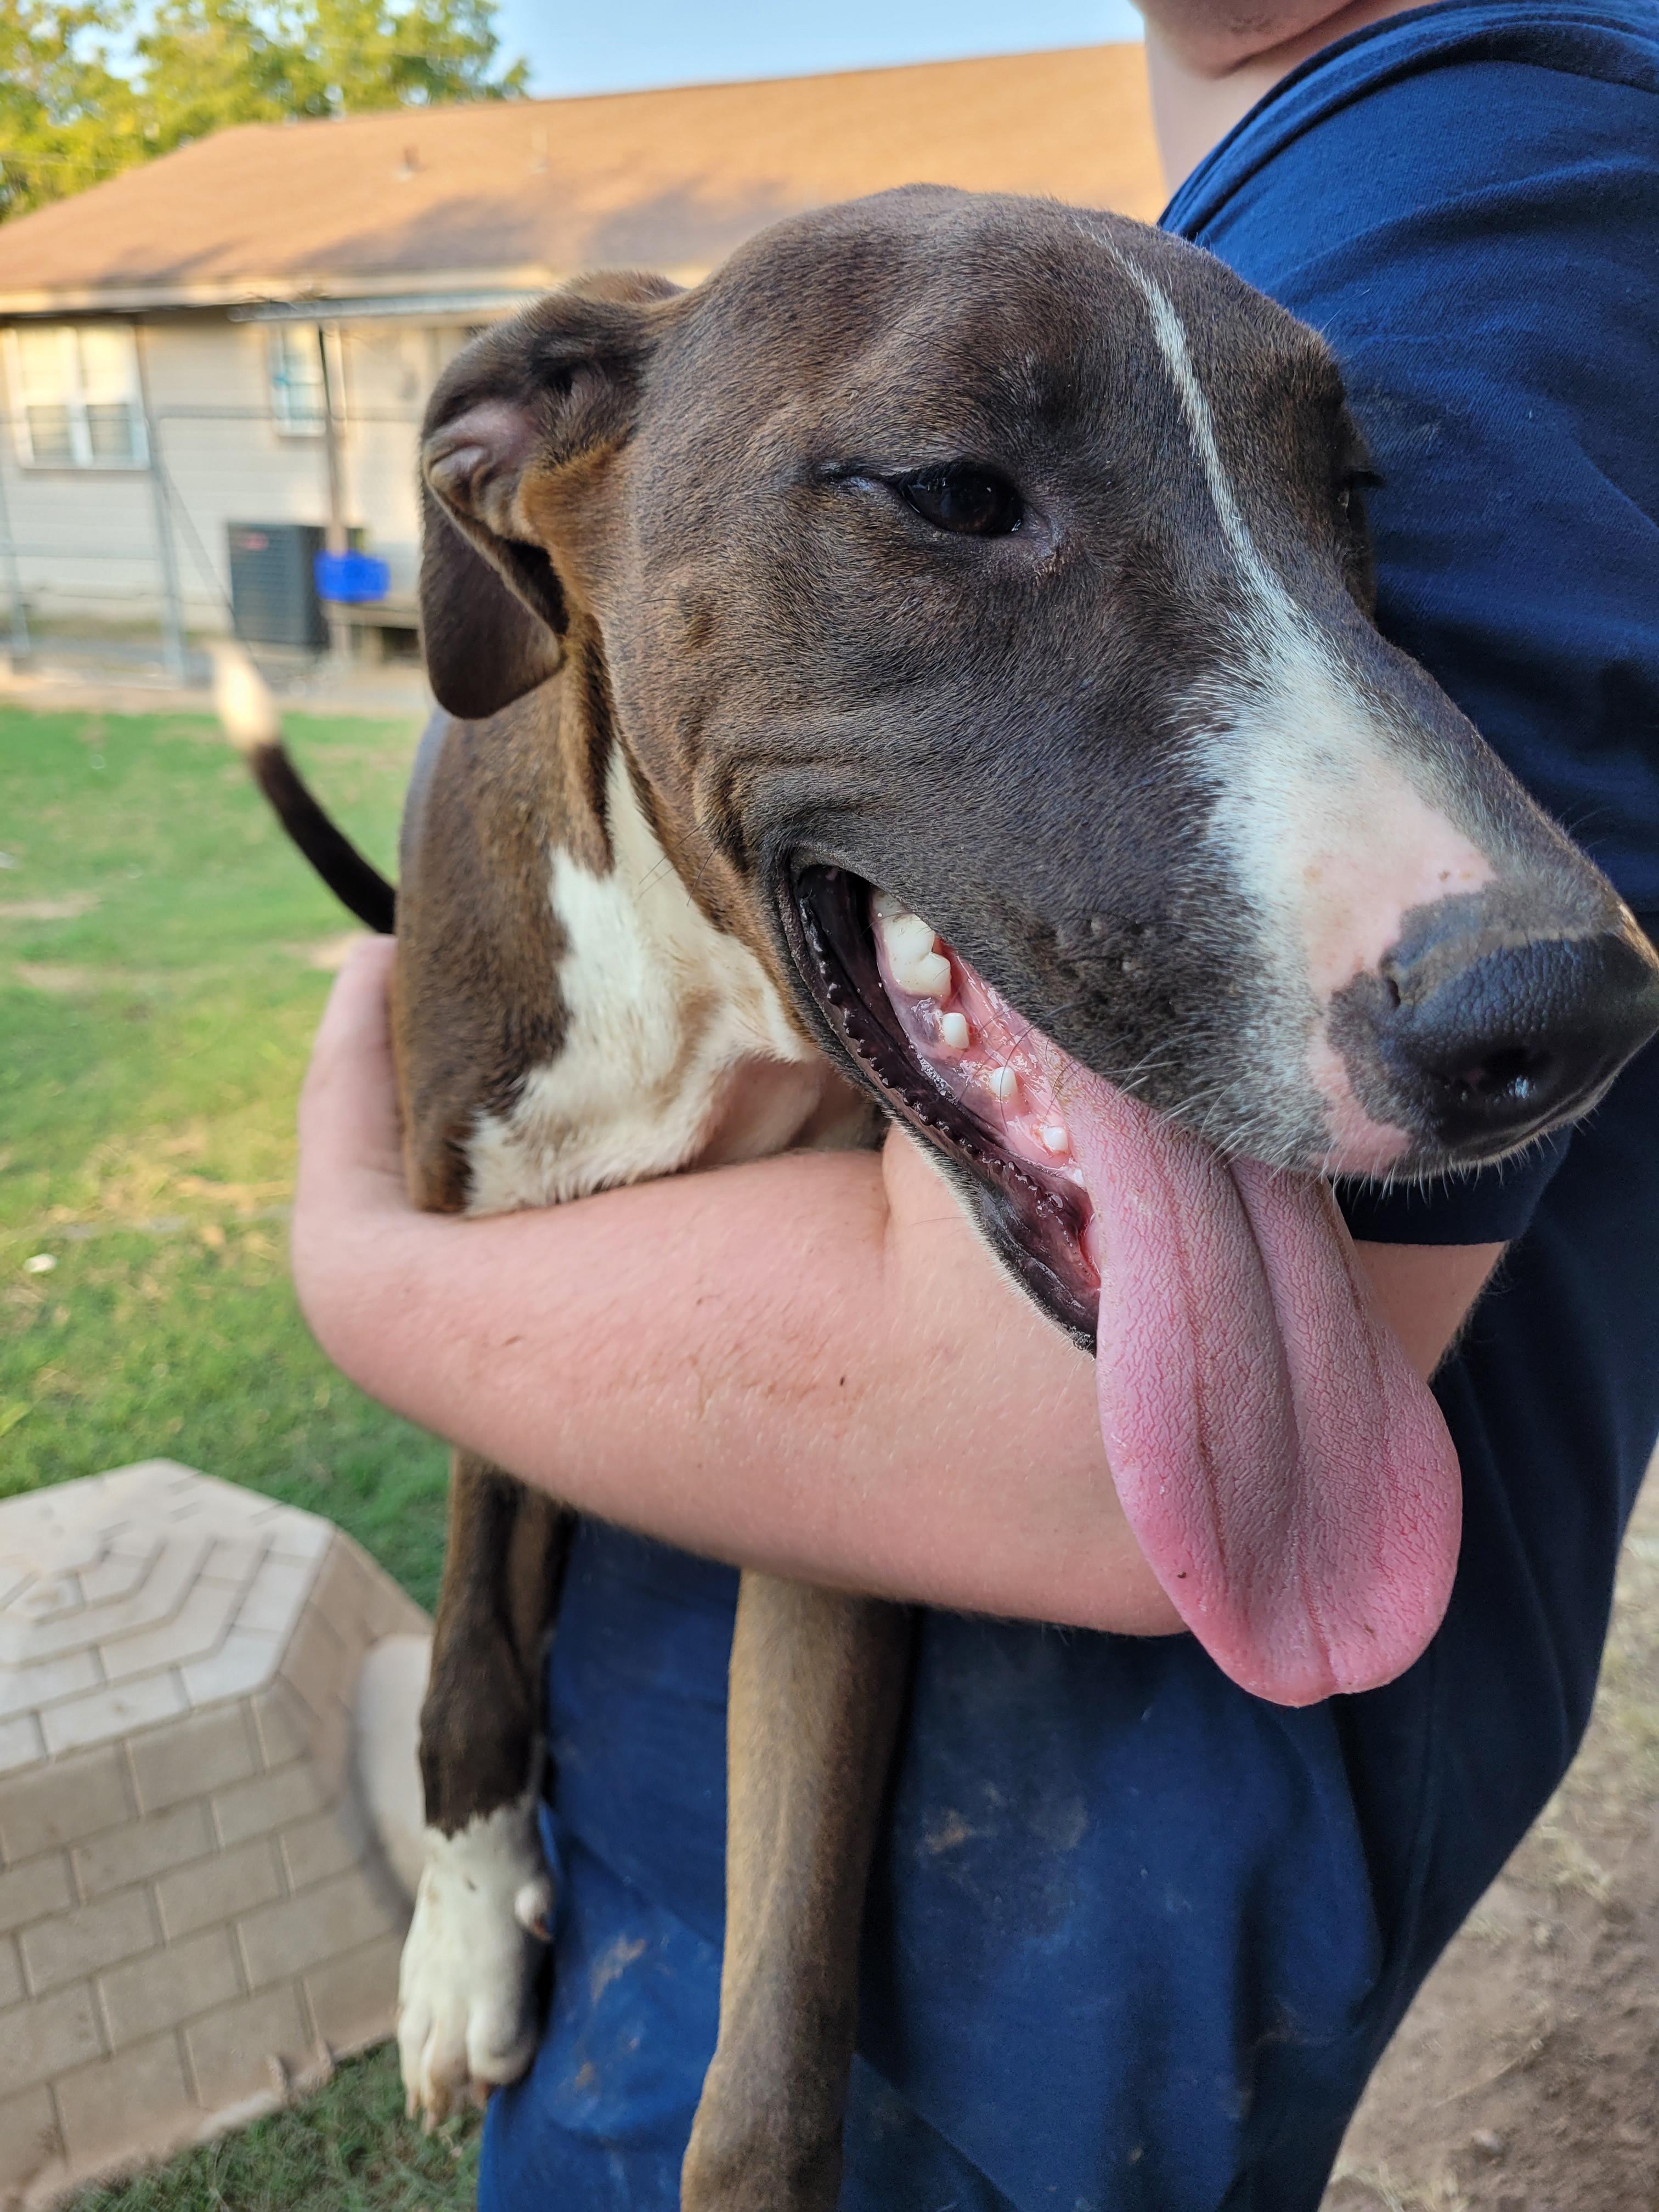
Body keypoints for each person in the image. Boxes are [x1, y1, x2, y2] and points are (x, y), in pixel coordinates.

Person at [291, 2, 1659, 2202]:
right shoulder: (1277, 192)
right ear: (529, 483)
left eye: (1344, 507)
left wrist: (355, 1266)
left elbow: (994, 1443)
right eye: (952, 493)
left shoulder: (1503, 175)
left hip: (1049, 1952)